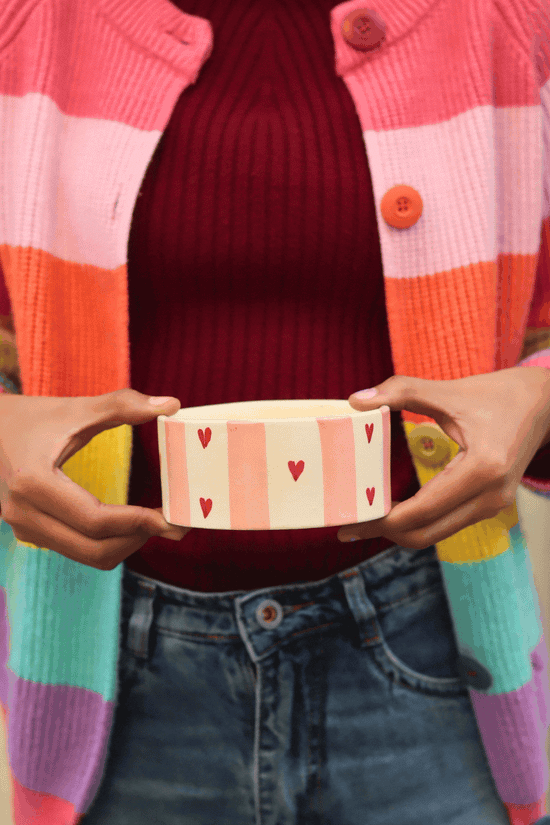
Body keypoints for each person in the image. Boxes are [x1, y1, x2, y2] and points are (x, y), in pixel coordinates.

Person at [0, 1, 549, 824]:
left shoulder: (513, 21)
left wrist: (537, 397)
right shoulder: (25, 23)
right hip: (118, 675)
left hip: (433, 663)